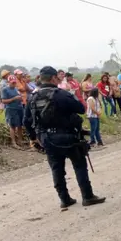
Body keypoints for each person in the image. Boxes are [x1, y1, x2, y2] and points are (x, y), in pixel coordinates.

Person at [26, 66, 105, 208]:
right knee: (79, 165)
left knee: (56, 169)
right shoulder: (61, 94)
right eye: (57, 77)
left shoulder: (32, 97)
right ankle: (87, 196)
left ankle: (64, 199)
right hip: (68, 137)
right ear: (53, 78)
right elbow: (80, 109)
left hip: (47, 138)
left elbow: (26, 121)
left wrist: (34, 139)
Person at [0, 75, 25, 148]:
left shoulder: (16, 89)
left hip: (19, 108)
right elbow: (3, 101)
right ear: (8, 82)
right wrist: (14, 98)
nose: (14, 84)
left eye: (15, 82)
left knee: (20, 125)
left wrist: (20, 99)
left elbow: (19, 97)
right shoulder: (5, 90)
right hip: (11, 109)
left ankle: (20, 141)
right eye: (12, 83)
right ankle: (13, 142)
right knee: (12, 126)